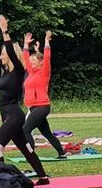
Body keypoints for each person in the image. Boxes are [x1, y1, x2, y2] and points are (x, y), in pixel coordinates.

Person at [0, 16, 49, 184]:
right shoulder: (5, 70)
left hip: (14, 114)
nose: (0, 57)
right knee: (25, 148)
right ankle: (43, 177)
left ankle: (1, 181)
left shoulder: (19, 70)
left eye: (3, 54)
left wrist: (4, 31)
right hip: (7, 114)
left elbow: (11, 52)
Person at [20, 30, 67, 160]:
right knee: (47, 133)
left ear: (40, 62)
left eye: (34, 60)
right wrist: (26, 44)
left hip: (42, 106)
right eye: (31, 60)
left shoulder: (44, 72)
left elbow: (46, 57)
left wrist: (46, 41)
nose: (31, 62)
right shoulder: (31, 72)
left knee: (25, 130)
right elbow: (25, 57)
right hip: (34, 108)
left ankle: (31, 156)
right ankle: (62, 154)